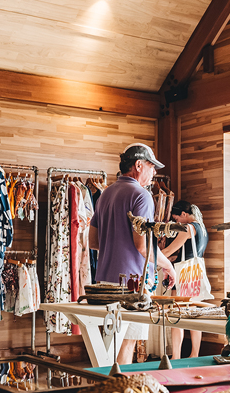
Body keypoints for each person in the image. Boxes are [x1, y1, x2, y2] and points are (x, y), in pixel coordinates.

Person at [89, 143, 176, 364]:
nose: (154, 173)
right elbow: (143, 245)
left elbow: (92, 241)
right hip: (132, 284)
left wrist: (115, 247)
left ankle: (108, 391)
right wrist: (167, 265)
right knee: (127, 344)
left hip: (104, 282)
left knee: (108, 346)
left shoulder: (105, 194)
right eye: (151, 166)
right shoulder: (141, 195)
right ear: (138, 165)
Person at [160, 200, 208, 358]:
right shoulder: (202, 227)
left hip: (182, 276)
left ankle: (176, 355)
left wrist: (152, 257)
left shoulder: (187, 228)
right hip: (195, 276)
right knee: (194, 317)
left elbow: (168, 250)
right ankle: (195, 354)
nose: (176, 222)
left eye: (177, 218)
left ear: (184, 214)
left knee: (176, 316)